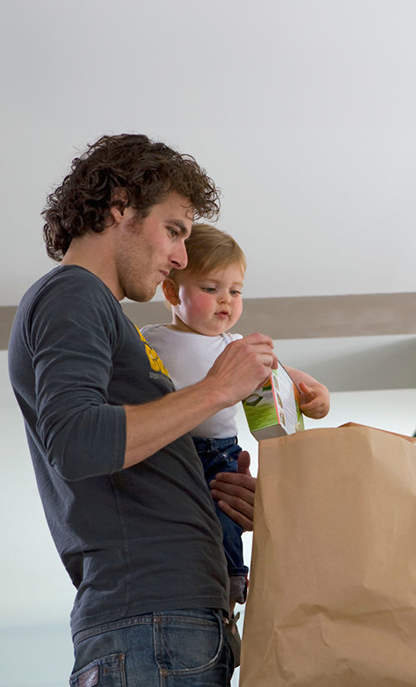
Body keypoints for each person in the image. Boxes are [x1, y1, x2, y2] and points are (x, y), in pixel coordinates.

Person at [8, 133, 274, 685]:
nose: (180, 255)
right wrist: (215, 390)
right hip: (152, 622)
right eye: (173, 230)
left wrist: (210, 500)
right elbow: (78, 440)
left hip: (169, 621)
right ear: (120, 206)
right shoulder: (73, 294)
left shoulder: (106, 317)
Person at [140, 223, 330, 611]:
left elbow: (285, 375)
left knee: (225, 514)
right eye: (210, 289)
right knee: (185, 521)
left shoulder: (237, 345)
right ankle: (194, 582)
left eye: (235, 291)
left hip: (221, 452)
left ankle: (232, 581)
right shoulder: (151, 338)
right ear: (173, 291)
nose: (226, 301)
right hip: (172, 446)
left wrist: (314, 394)